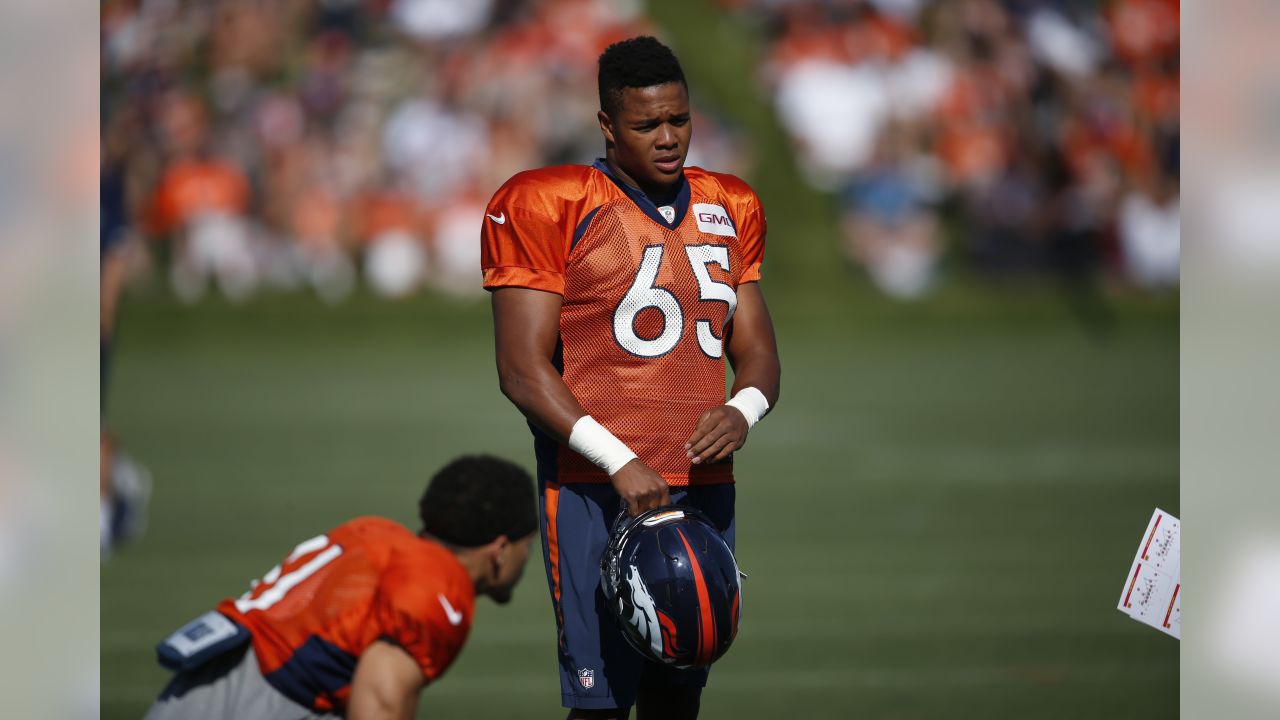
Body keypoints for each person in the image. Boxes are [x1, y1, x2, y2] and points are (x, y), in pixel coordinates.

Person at [481, 36, 781, 720]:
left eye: (679, 120)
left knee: (679, 693)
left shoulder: (729, 203)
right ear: (608, 127)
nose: (669, 138)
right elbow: (520, 371)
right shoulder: (549, 201)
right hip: (594, 485)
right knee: (601, 703)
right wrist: (620, 461)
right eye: (647, 125)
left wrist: (744, 411)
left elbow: (759, 350)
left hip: (704, 486)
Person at [144, 455, 537, 720]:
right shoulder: (439, 584)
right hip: (261, 702)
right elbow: (379, 703)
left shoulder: (372, 534)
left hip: (197, 691)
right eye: (528, 544)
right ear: (500, 549)